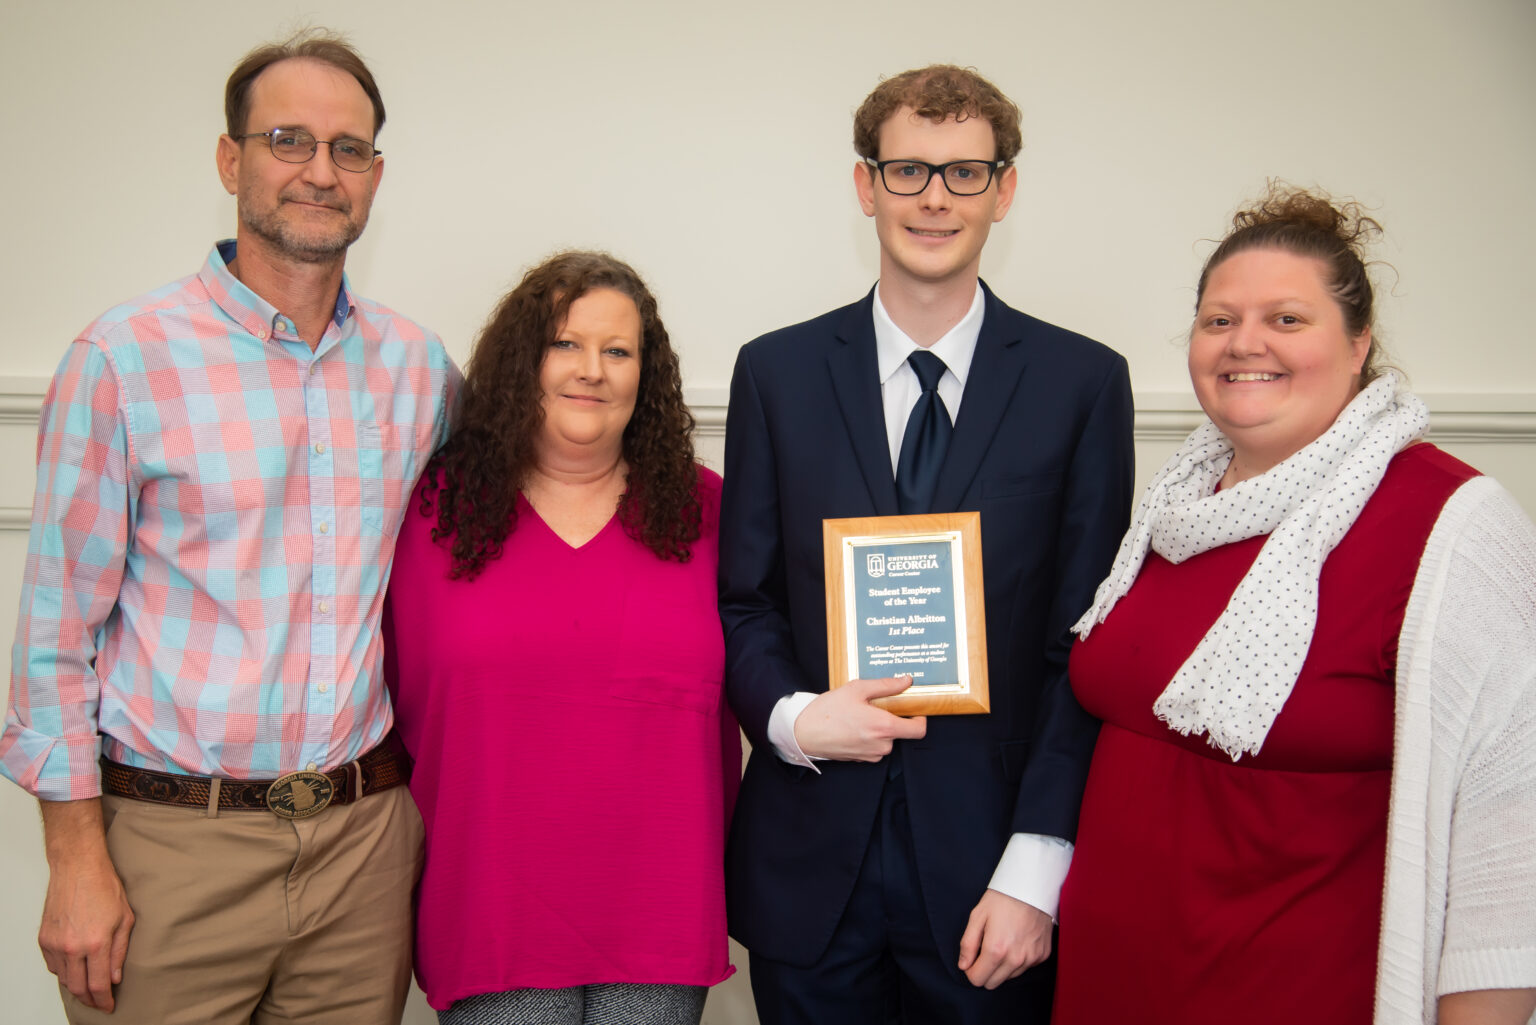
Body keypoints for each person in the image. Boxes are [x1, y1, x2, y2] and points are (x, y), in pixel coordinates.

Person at [0, 29, 459, 1025]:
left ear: (376, 175)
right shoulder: (122, 357)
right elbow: (52, 641)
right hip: (172, 846)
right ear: (230, 158)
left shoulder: (419, 371)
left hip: (361, 847)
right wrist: (75, 861)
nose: (319, 171)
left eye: (348, 149)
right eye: (289, 139)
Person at [1056, 185, 1536, 1025]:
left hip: (1301, 992)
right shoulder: (1174, 506)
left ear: (1359, 346)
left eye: (1287, 319)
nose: (1245, 343)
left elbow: (1510, 838)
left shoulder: (1450, 522)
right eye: (1219, 320)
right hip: (1112, 982)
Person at [719, 65, 1134, 1024]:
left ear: (1005, 189)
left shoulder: (1081, 383)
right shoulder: (775, 373)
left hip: (992, 876)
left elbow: (1086, 643)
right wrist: (790, 717)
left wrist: (1039, 866)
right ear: (865, 185)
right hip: (813, 858)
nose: (935, 197)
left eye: (963, 172)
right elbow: (746, 597)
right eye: (907, 170)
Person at [384, 250, 738, 1025]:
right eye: (566, 344)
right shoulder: (429, 511)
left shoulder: (708, 513)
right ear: (523, 361)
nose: (593, 370)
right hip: (490, 909)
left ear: (648, 376)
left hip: (661, 910)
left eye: (618, 351)